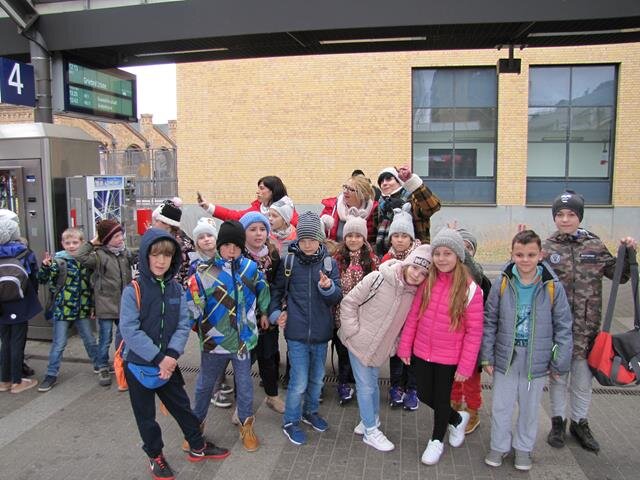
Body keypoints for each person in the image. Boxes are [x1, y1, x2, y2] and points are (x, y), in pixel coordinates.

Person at [120, 228, 230, 480]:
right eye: (155, 255)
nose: (161, 261)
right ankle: (155, 455)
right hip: (138, 365)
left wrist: (170, 356)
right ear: (145, 256)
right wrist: (160, 359)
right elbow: (129, 330)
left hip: (168, 363)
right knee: (146, 417)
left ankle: (197, 445)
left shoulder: (176, 289)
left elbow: (182, 324)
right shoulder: (133, 290)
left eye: (167, 256)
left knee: (182, 407)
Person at [543, 190, 637, 454]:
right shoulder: (547, 248)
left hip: (588, 331)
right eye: (560, 214)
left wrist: (628, 252)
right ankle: (558, 422)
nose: (565, 219)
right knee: (558, 378)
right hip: (558, 331)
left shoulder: (594, 245)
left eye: (571, 214)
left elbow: (620, 276)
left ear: (579, 217)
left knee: (582, 381)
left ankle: (580, 423)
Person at [481, 229, 573, 471]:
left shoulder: (552, 286)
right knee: (501, 406)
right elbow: (490, 320)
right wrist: (487, 356)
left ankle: (523, 448)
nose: (525, 260)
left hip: (536, 358)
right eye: (519, 254)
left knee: (530, 409)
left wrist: (559, 361)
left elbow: (563, 326)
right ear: (512, 254)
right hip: (506, 356)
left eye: (531, 255)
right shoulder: (502, 283)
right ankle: (499, 446)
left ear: (540, 255)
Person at [397, 228, 483, 465]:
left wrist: (466, 366)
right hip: (422, 350)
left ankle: (436, 440)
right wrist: (405, 346)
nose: (442, 258)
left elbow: (474, 332)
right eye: (437, 253)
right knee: (424, 394)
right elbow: (414, 315)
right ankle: (456, 419)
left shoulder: (471, 289)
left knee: (442, 399)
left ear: (458, 255)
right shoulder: (428, 281)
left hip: (450, 356)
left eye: (448, 253)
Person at [187, 220, 270, 452]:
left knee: (245, 386)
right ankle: (194, 429)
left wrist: (265, 312)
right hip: (214, 341)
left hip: (243, 340)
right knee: (204, 386)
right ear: (219, 246)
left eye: (236, 246)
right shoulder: (204, 272)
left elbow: (263, 290)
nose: (231, 250)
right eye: (226, 245)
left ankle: (246, 425)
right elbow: (192, 306)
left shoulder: (250, 268)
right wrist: (191, 318)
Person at [339, 244, 431, 451]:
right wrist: (353, 332)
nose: (417, 275)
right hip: (358, 342)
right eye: (415, 268)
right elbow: (349, 303)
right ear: (407, 264)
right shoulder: (378, 278)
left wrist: (394, 345)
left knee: (371, 384)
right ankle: (371, 431)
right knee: (366, 386)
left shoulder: (414, 294)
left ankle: (369, 420)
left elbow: (406, 326)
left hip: (380, 348)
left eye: (424, 273)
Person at [268, 211, 342, 446]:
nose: (307, 245)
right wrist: (276, 314)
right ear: (297, 239)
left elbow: (336, 297)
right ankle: (290, 421)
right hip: (296, 333)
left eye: (312, 240)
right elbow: (276, 292)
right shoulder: (288, 262)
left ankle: (310, 412)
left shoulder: (329, 263)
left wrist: (328, 287)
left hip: (321, 333)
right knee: (299, 381)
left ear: (320, 239)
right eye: (303, 240)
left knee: (317, 379)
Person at [75, 219, 134, 387]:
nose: (121, 238)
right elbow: (80, 256)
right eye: (116, 236)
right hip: (106, 304)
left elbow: (140, 255)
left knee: (124, 337)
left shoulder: (124, 254)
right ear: (106, 239)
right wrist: (93, 242)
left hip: (124, 305)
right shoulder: (99, 256)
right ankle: (102, 366)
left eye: (121, 234)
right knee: (105, 338)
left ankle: (121, 363)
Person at [37, 228, 98, 392]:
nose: (71, 246)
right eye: (67, 243)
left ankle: (99, 364)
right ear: (62, 244)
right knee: (59, 343)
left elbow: (92, 286)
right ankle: (51, 374)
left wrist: (93, 306)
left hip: (82, 309)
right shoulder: (58, 261)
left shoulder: (86, 262)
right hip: (63, 309)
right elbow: (42, 279)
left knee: (90, 340)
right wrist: (45, 267)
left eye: (75, 242)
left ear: (82, 243)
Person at [239, 211, 285, 414]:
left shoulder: (273, 255)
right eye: (252, 229)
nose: (258, 234)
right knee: (243, 362)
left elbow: (277, 286)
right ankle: (241, 404)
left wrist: (270, 311)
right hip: (243, 319)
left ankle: (272, 396)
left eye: (262, 229)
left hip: (267, 318)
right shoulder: (238, 256)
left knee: (268, 358)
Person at [449, 225, 493, 434]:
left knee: (471, 381)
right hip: (451, 339)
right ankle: (454, 406)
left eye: (468, 248)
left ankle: (473, 411)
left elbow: (487, 313)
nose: (464, 251)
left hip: (471, 340)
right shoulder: (447, 275)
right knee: (452, 378)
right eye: (460, 247)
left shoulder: (479, 276)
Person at [331, 216, 379, 405]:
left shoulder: (372, 260)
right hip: (340, 315)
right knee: (343, 352)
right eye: (349, 235)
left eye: (358, 236)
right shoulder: (336, 259)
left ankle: (360, 382)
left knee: (360, 353)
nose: (353, 239)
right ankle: (343, 383)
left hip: (363, 316)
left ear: (364, 238)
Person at [380, 204, 421, 410]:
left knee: (411, 354)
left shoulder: (420, 258)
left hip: (414, 316)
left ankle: (412, 388)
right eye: (396, 235)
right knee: (395, 353)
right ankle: (396, 386)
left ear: (411, 238)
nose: (400, 240)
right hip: (394, 315)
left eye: (404, 236)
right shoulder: (387, 259)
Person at [0, 217, 41, 393]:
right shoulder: (23, 252)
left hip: (1, 306)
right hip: (19, 303)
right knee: (17, 341)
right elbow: (33, 278)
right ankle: (17, 381)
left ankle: (4, 380)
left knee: (5, 341)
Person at [374, 165, 441, 257]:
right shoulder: (380, 206)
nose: (384, 183)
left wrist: (413, 182)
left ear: (399, 181)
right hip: (387, 257)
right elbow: (374, 235)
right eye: (381, 181)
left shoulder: (413, 198)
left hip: (416, 257)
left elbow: (433, 206)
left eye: (389, 179)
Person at [200, 175, 299, 226]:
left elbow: (298, 226)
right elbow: (235, 216)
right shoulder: (257, 209)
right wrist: (209, 207)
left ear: (273, 190)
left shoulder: (286, 209)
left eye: (262, 188)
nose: (257, 192)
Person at [320, 174, 377, 245]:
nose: (345, 191)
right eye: (345, 187)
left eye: (351, 189)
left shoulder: (374, 211)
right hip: (333, 251)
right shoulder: (331, 208)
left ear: (362, 195)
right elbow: (318, 234)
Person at [151, 198, 195, 287]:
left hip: (177, 290)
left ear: (167, 223)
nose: (153, 224)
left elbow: (188, 274)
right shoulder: (156, 238)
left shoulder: (183, 244)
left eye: (156, 221)